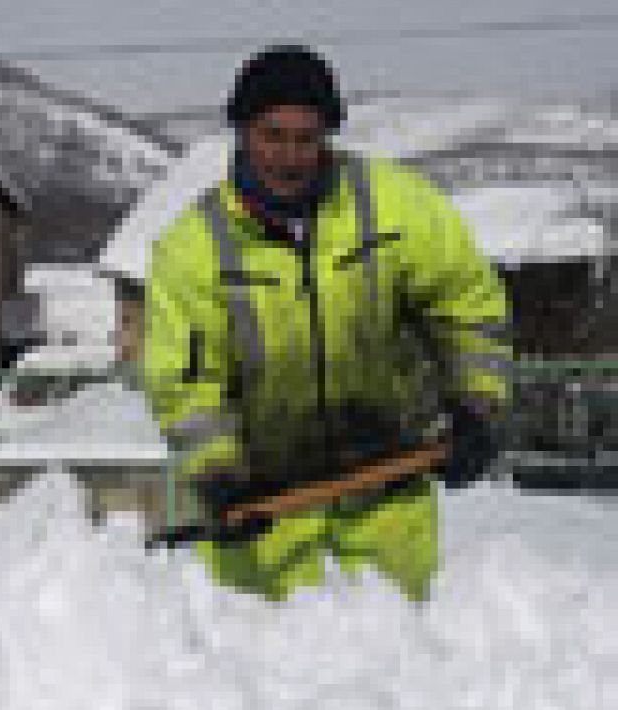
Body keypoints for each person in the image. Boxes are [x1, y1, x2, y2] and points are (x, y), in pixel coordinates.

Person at [140, 46, 511, 602]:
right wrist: (216, 471)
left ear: (328, 135)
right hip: (264, 511)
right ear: (242, 132)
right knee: (264, 677)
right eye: (272, 135)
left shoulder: (395, 207)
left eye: (306, 138)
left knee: (396, 669)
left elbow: (468, 305)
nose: (289, 157)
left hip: (389, 495)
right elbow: (186, 380)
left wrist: (477, 405)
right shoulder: (194, 248)